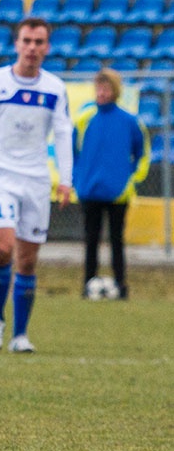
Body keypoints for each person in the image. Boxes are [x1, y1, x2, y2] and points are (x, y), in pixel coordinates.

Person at [0, 17, 73, 353]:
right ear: (17, 44)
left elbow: (64, 133)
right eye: (27, 41)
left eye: (39, 42)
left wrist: (65, 179)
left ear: (47, 47)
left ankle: (20, 335)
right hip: (1, 176)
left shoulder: (54, 88)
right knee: (4, 248)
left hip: (37, 180)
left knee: (27, 261)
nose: (32, 48)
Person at [73, 68, 150, 300]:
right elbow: (71, 153)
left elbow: (142, 154)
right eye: (98, 88)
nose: (101, 92)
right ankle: (88, 284)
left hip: (118, 193)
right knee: (91, 240)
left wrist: (131, 180)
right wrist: (78, 179)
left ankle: (120, 284)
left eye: (106, 88)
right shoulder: (84, 119)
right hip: (90, 191)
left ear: (115, 91)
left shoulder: (130, 122)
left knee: (117, 240)